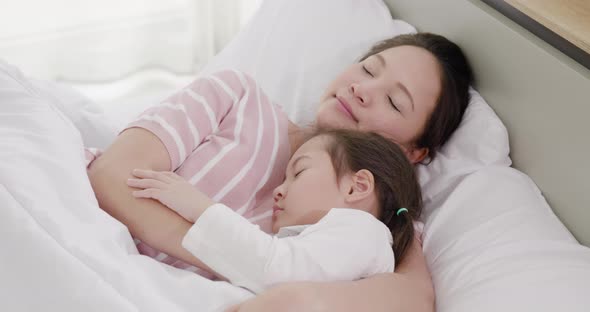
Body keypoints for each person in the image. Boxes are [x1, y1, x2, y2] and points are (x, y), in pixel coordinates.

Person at [87, 32, 473, 311]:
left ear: (412, 152)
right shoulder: (236, 97)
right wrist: (256, 262)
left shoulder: (378, 216)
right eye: (369, 69)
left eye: (393, 100)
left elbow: (412, 298)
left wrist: (299, 295)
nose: (362, 89)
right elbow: (111, 176)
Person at [125, 129, 423, 294]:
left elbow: (274, 269)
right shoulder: (338, 244)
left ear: (356, 187)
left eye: (300, 171)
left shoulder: (365, 235)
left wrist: (198, 206)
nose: (279, 190)